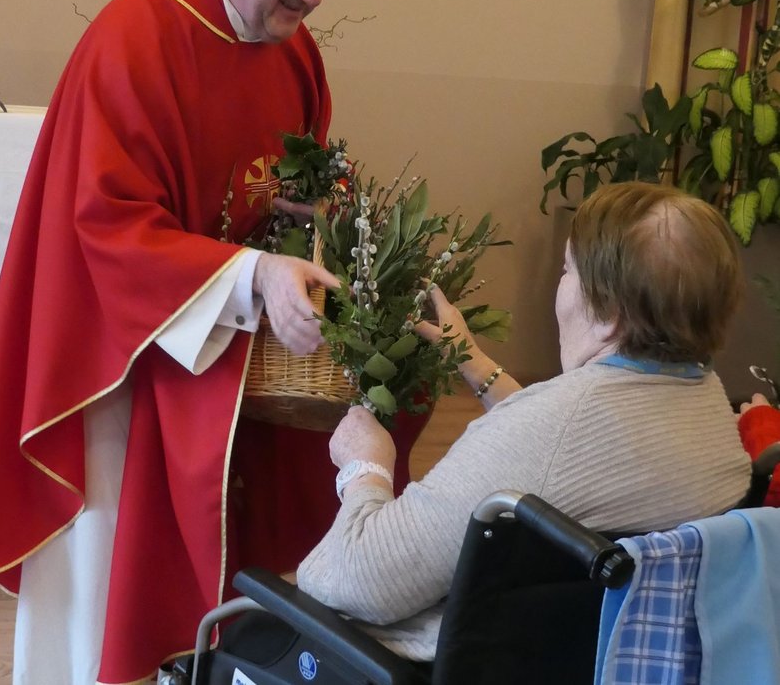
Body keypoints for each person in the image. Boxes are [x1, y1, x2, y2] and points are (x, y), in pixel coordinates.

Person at [0, 0, 370, 685]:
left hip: (220, 363)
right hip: (114, 361)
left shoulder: (293, 53)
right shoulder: (138, 35)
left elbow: (288, 186)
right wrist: (252, 275)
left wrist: (315, 224)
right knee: (104, 586)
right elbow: (107, 223)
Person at [296, 181, 752, 661]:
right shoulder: (711, 410)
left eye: (567, 269)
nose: (561, 285)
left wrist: (365, 469)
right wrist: (473, 361)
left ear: (610, 315)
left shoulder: (550, 431)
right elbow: (579, 455)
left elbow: (355, 582)